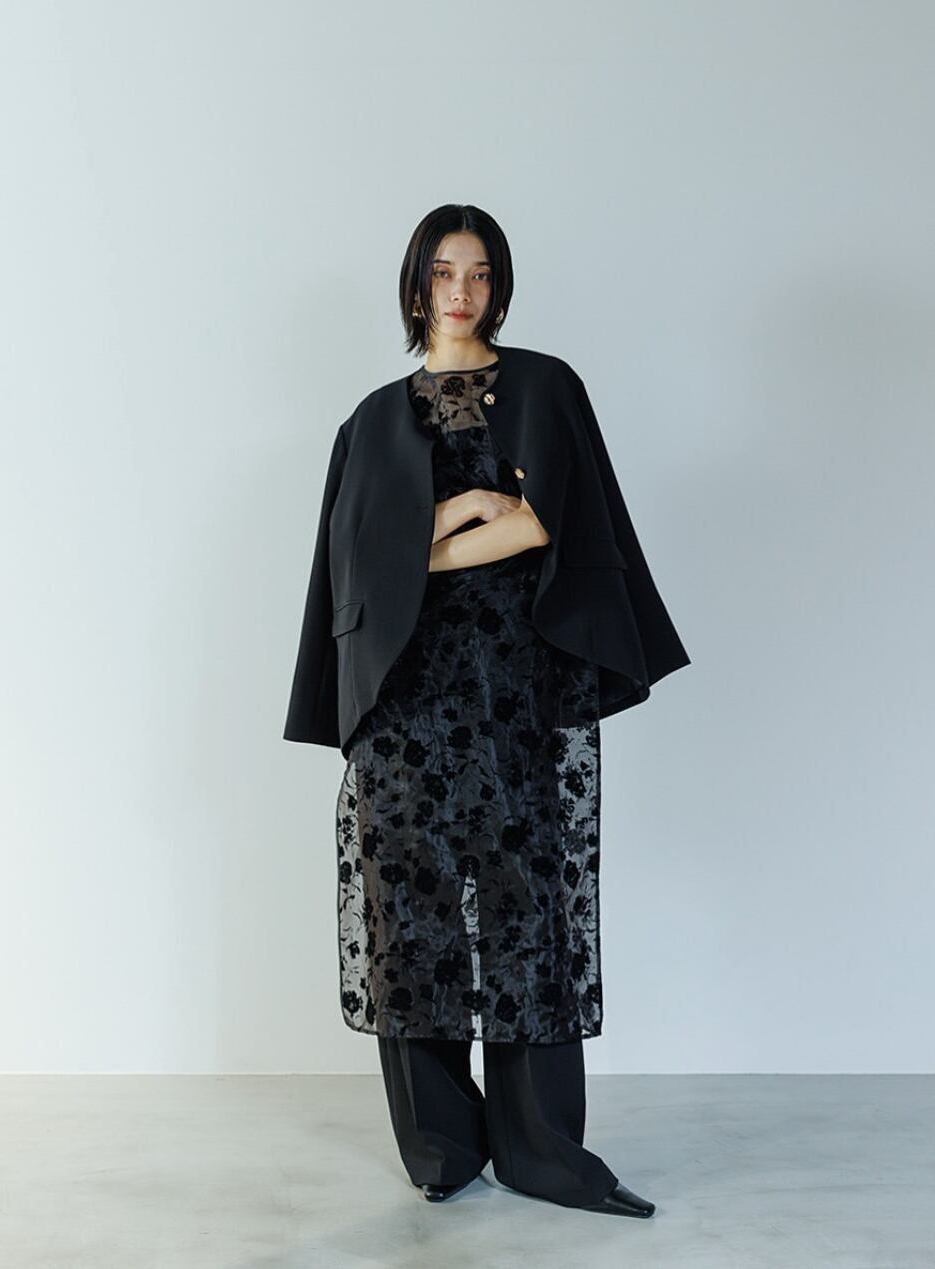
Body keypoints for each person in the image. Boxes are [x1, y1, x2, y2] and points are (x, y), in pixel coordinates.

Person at [289, 204, 689, 1215]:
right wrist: (476, 507)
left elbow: (549, 525)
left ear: (498, 286)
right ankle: (441, 1147)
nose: (459, 291)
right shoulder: (372, 421)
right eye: (441, 271)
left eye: (477, 272)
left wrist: (427, 539)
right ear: (415, 284)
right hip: (403, 695)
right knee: (409, 910)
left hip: (515, 689)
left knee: (528, 907)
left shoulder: (545, 388)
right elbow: (357, 565)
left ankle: (540, 1148)